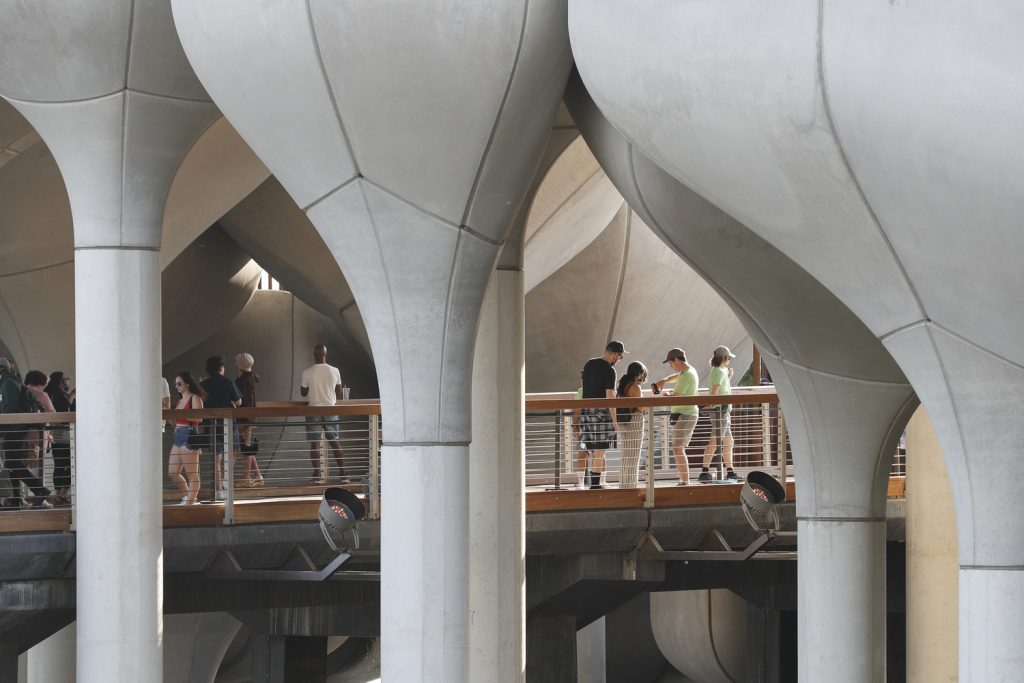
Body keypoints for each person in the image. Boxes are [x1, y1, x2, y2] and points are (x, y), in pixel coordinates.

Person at [0, 358, 52, 508]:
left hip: (15, 429)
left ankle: (40, 490)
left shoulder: (9, 383)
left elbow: (10, 408)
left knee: (12, 463)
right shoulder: (7, 382)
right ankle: (16, 499)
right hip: (12, 429)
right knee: (11, 464)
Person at [577, 340, 626, 489]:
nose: (619, 360)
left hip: (586, 411)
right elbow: (610, 397)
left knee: (593, 451)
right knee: (600, 451)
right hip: (601, 414)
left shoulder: (589, 364)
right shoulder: (610, 370)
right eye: (620, 357)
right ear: (615, 354)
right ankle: (596, 486)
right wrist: (615, 421)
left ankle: (594, 484)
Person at [300, 343, 346, 485]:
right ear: (326, 355)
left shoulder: (307, 372)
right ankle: (344, 473)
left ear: (314, 355)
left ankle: (317, 475)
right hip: (330, 409)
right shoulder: (335, 370)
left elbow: (303, 393)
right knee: (334, 442)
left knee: (315, 444)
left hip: (314, 409)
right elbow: (337, 391)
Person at [653, 348, 700, 485]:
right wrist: (664, 381)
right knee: (678, 448)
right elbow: (676, 377)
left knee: (678, 447)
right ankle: (683, 480)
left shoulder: (686, 375)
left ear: (676, 360)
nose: (670, 366)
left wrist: (668, 394)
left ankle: (685, 481)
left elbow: (678, 395)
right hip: (684, 414)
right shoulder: (687, 372)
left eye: (670, 363)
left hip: (685, 415)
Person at [200, 356, 242, 501]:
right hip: (228, 422)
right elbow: (238, 401)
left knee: (216, 459)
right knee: (232, 452)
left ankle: (218, 491)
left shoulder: (203, 384)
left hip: (211, 424)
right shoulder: (228, 382)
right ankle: (226, 483)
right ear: (221, 368)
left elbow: (200, 403)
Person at [699, 345, 740, 482]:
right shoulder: (718, 371)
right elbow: (716, 390)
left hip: (723, 410)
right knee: (716, 440)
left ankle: (730, 471)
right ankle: (705, 471)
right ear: (724, 358)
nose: (729, 360)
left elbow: (720, 387)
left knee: (728, 441)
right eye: (728, 358)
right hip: (720, 410)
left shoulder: (720, 371)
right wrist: (711, 404)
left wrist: (728, 377)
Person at [169, 371, 205, 505]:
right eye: (175, 384)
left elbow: (199, 417)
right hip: (178, 435)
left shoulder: (194, 398)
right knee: (173, 472)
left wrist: (180, 415)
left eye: (179, 384)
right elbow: (177, 421)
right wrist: (172, 418)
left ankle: (190, 501)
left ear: (187, 383)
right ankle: (188, 497)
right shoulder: (180, 401)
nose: (177, 386)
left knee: (192, 473)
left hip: (189, 435)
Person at [22, 370, 55, 497]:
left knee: (21, 467)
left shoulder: (21, 391)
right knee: (38, 467)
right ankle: (39, 496)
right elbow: (52, 413)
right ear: (40, 382)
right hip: (38, 434)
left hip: (21, 434)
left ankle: (22, 496)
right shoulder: (41, 395)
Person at [44, 372, 74, 505]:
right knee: (64, 463)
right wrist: (73, 394)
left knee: (63, 464)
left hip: (60, 433)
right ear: (60, 381)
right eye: (65, 379)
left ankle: (60, 495)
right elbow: (62, 408)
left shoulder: (57, 393)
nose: (67, 381)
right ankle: (60, 495)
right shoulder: (56, 394)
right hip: (61, 433)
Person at [616, 361, 647, 488]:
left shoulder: (623, 385)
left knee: (625, 454)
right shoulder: (635, 387)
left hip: (623, 421)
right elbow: (640, 407)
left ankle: (624, 484)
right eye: (643, 374)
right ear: (639, 373)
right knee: (634, 454)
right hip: (634, 421)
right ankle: (631, 485)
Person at [234, 352, 263, 488]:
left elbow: (240, 401)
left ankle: (246, 477)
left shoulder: (241, 381)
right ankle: (257, 475)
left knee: (246, 447)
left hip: (244, 418)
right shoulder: (251, 378)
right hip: (249, 417)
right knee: (247, 446)